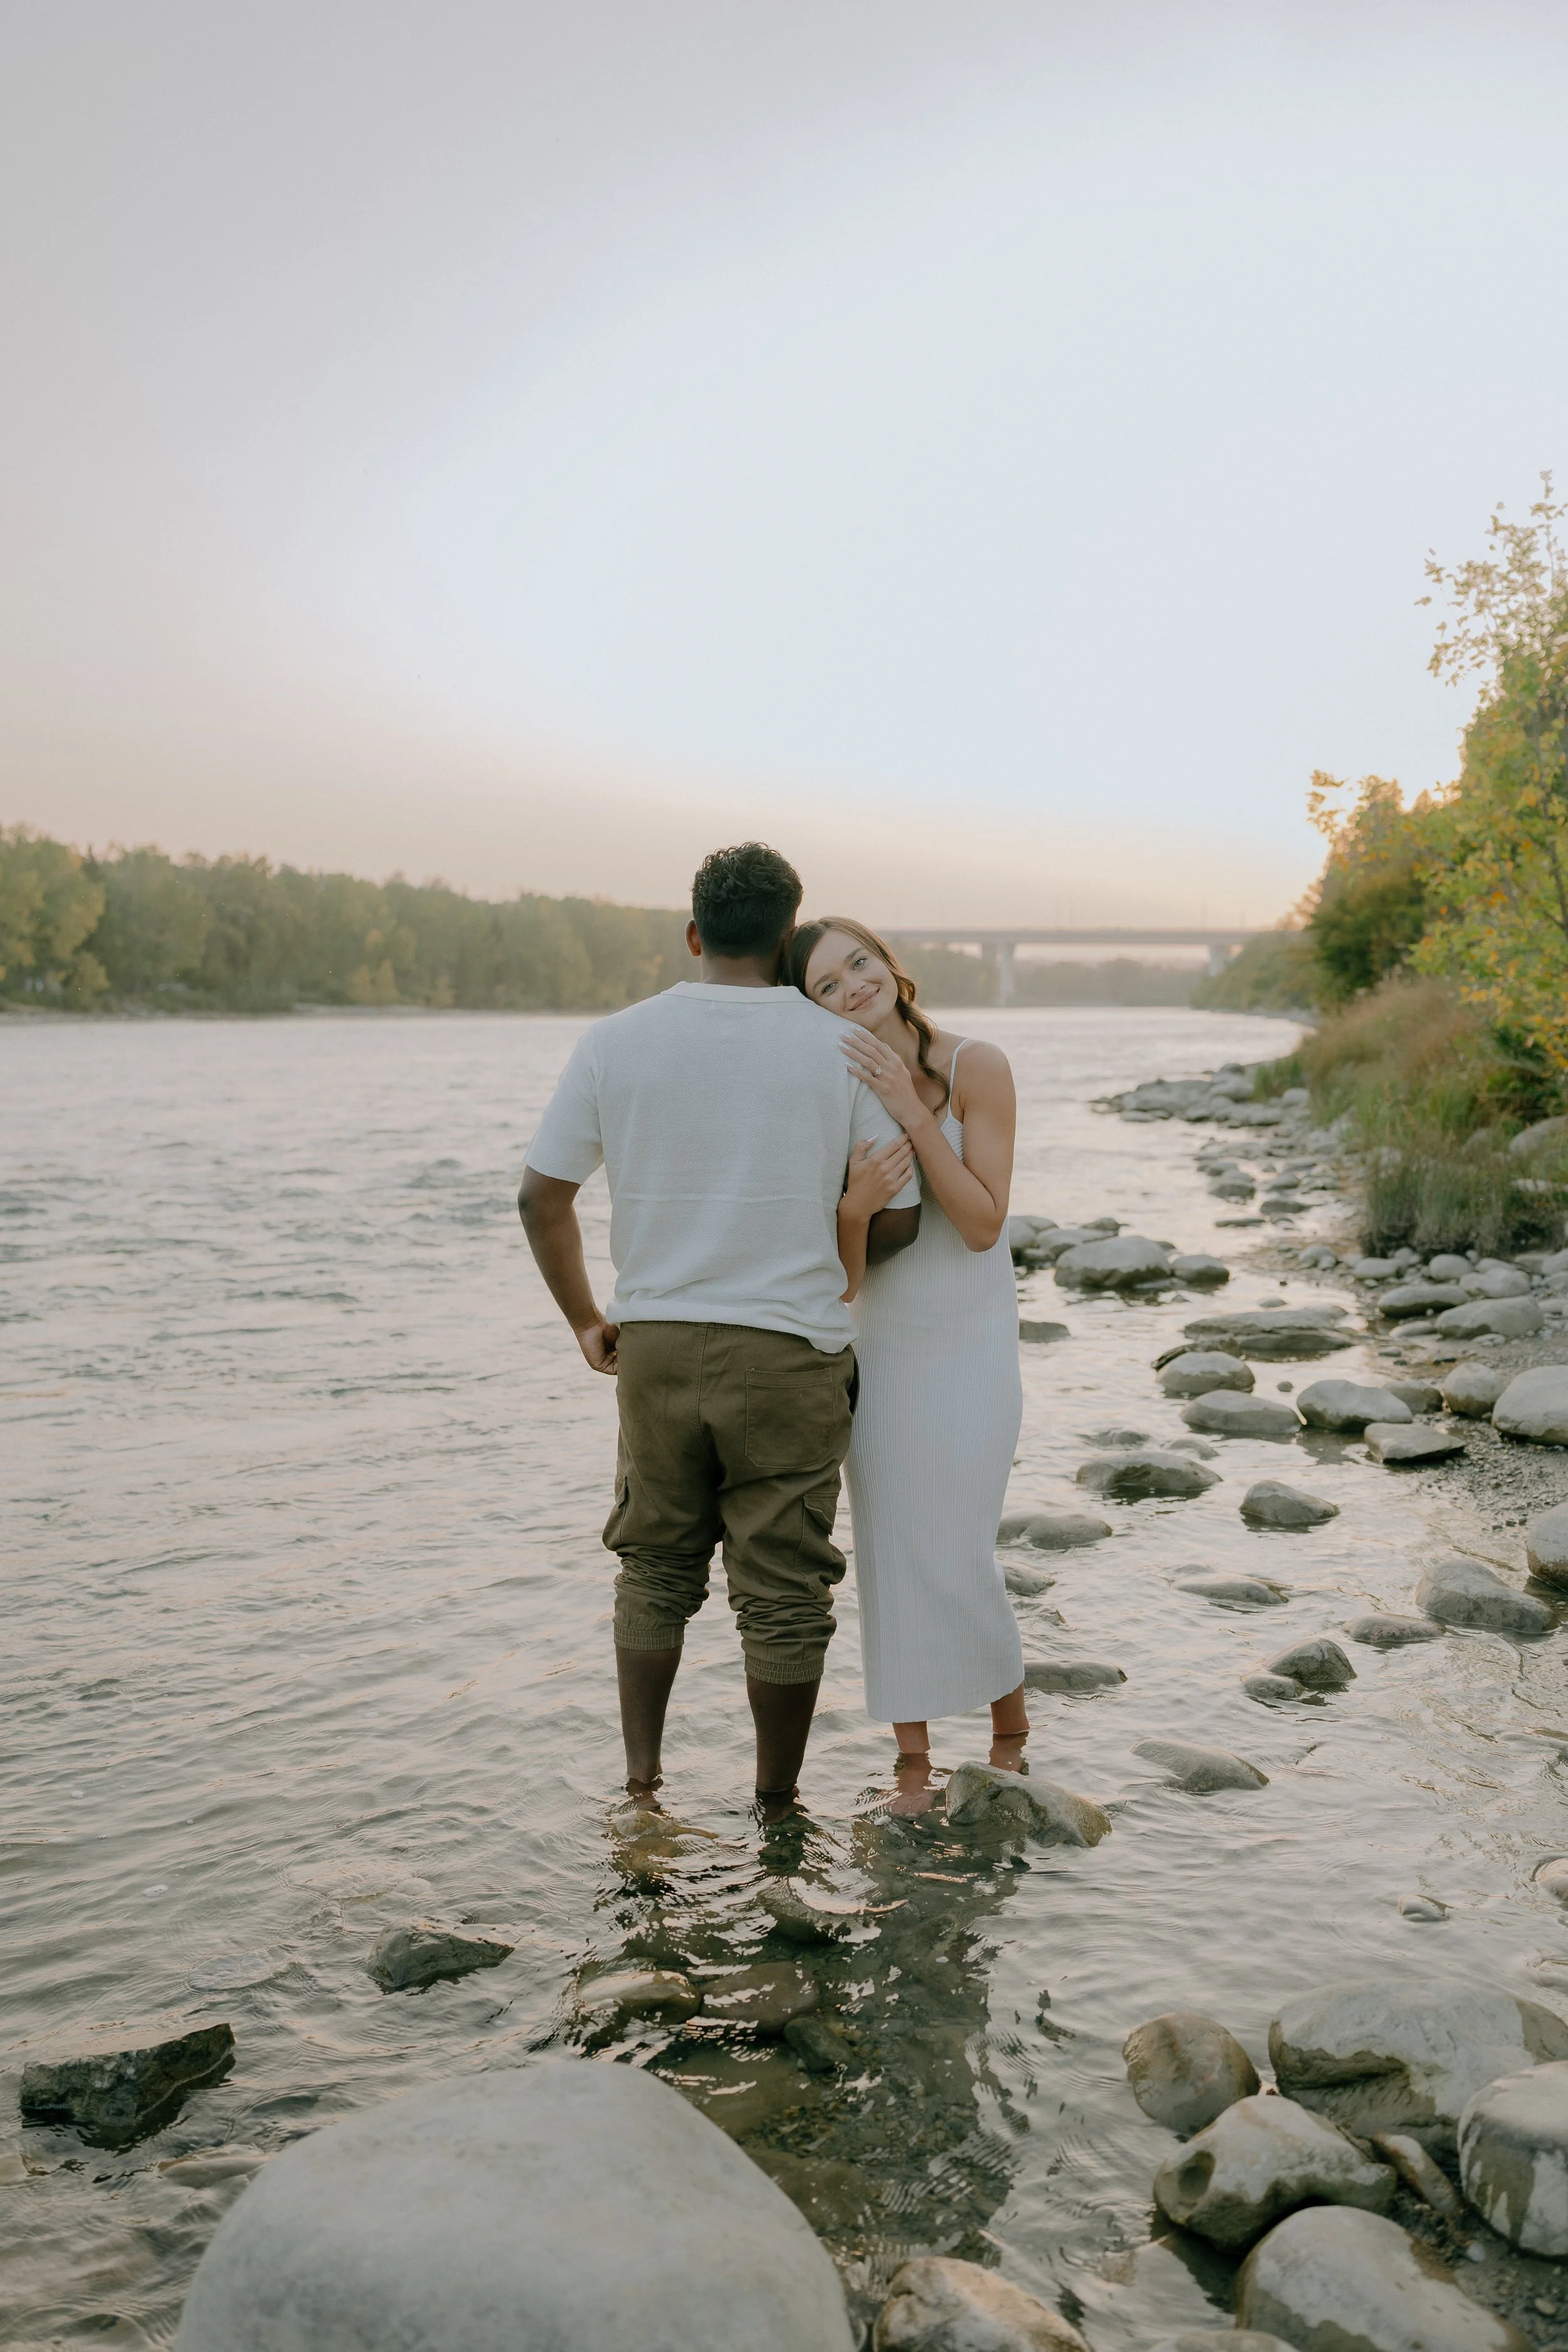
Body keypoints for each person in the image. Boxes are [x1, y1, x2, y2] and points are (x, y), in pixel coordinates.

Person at [517, 845, 921, 1811]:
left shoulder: (615, 1040)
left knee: (654, 1568)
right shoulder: (839, 1047)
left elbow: (541, 1198)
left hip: (653, 1346)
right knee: (783, 1591)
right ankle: (775, 1809)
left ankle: (643, 1793)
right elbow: (898, 1215)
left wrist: (586, 1319)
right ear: (788, 939)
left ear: (694, 934)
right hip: (788, 1352)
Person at [784, 916, 1027, 1801]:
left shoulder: (978, 1067)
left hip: (971, 1346)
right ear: (812, 1011)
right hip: (881, 1349)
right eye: (826, 985)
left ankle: (1012, 1733)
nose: (852, 986)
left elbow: (980, 1223)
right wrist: (852, 1212)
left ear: (888, 963)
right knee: (889, 1548)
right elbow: (844, 1284)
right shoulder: (831, 1096)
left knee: (961, 1544)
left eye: (858, 963)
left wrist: (915, 1114)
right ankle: (913, 1761)